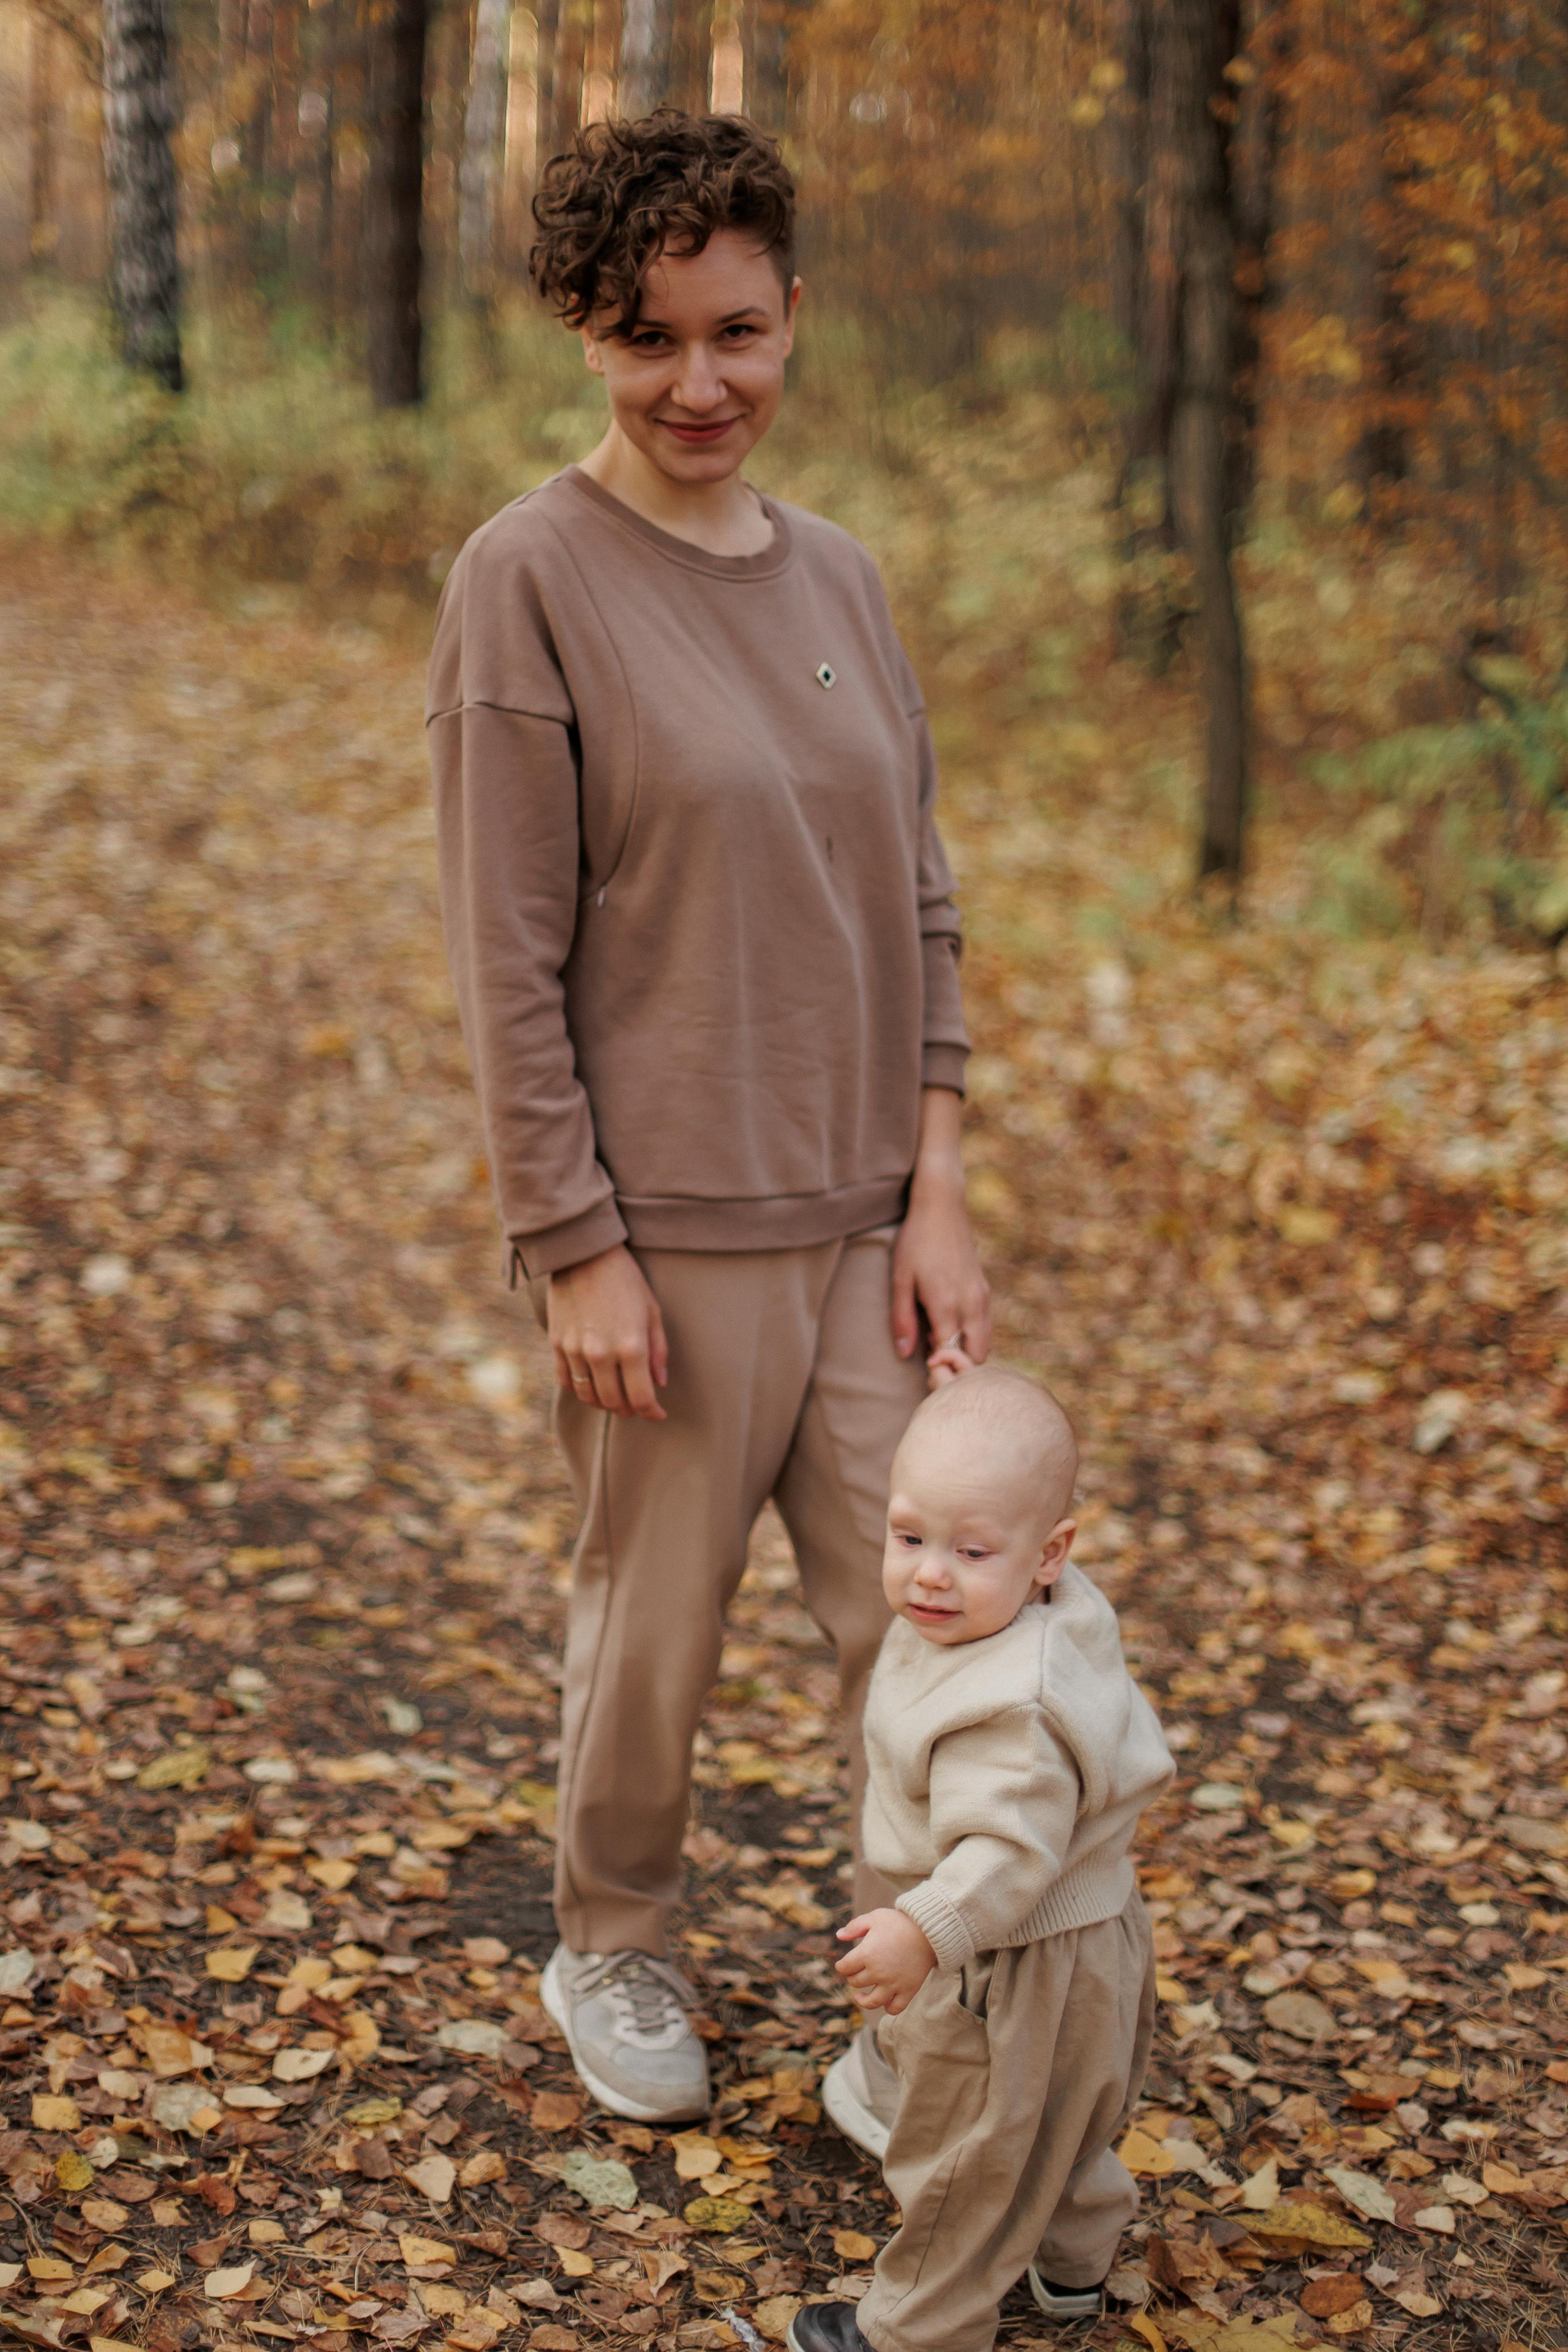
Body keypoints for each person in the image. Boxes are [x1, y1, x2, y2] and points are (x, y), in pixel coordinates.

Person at [426, 108, 990, 2124]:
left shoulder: (838, 571)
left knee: (930, 1640)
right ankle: (620, 1943)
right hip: (660, 1232)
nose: (699, 385)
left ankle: (911, 2000)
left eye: (737, 332)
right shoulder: (531, 580)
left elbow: (916, 890)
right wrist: (573, 1241)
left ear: (793, 317)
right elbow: (505, 952)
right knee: (652, 1638)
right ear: (587, 334)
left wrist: (936, 1186)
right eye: (647, 337)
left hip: (862, 1230)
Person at [795, 1366, 1174, 2352]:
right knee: (1059, 2123)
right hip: (1096, 1942)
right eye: (910, 1535)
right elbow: (993, 1491)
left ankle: (913, 2330)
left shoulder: (1012, 1708)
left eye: (970, 1550)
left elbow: (1010, 1849)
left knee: (969, 2153)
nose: (930, 1573)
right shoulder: (1043, 1605)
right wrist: (978, 1429)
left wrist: (928, 1926)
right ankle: (1073, 2267)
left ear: (1050, 1553)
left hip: (1013, 1956)